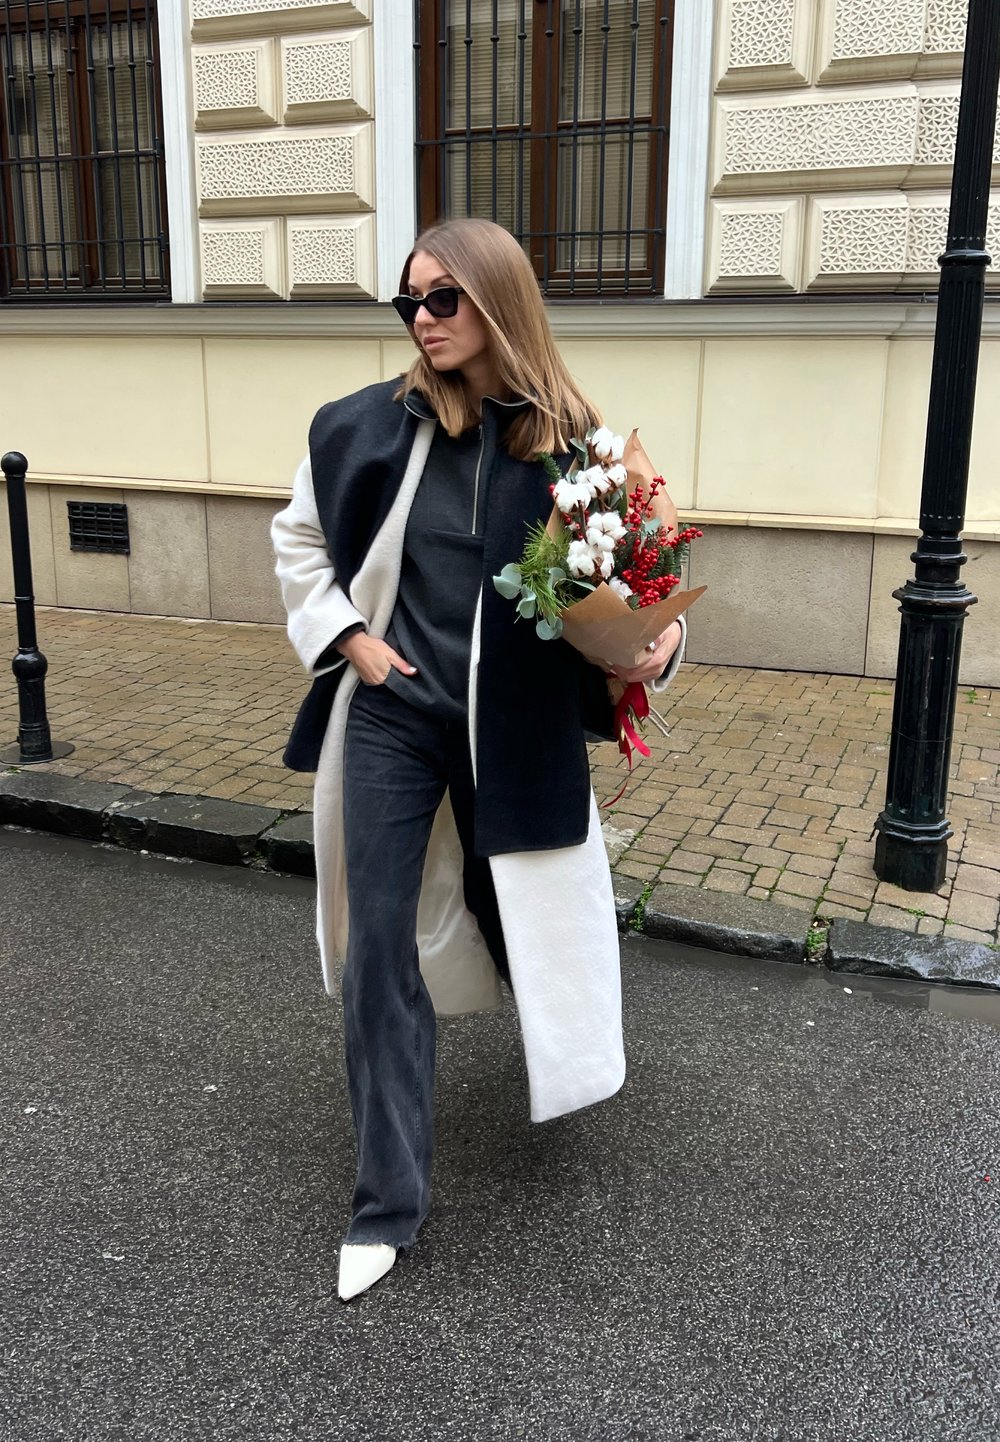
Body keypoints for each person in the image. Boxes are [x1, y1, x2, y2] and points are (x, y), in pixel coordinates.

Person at [271, 218, 686, 1302]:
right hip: (394, 717)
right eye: (407, 301)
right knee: (377, 943)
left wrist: (659, 639)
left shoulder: (572, 445)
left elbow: (637, 587)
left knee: (525, 908)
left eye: (443, 297)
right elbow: (299, 540)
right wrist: (353, 643)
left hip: (513, 726)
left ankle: (552, 1043)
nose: (421, 318)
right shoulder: (360, 424)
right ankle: (385, 1201)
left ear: (498, 299)